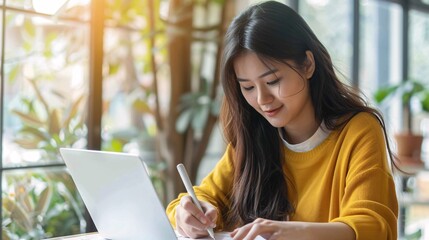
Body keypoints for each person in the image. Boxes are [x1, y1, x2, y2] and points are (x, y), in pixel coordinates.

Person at [166, 1, 398, 239]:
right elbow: (191, 202)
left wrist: (293, 231)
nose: (262, 99)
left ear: (307, 64)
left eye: (273, 81)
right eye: (247, 87)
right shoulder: (253, 137)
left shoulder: (358, 130)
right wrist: (190, 213)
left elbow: (373, 226)